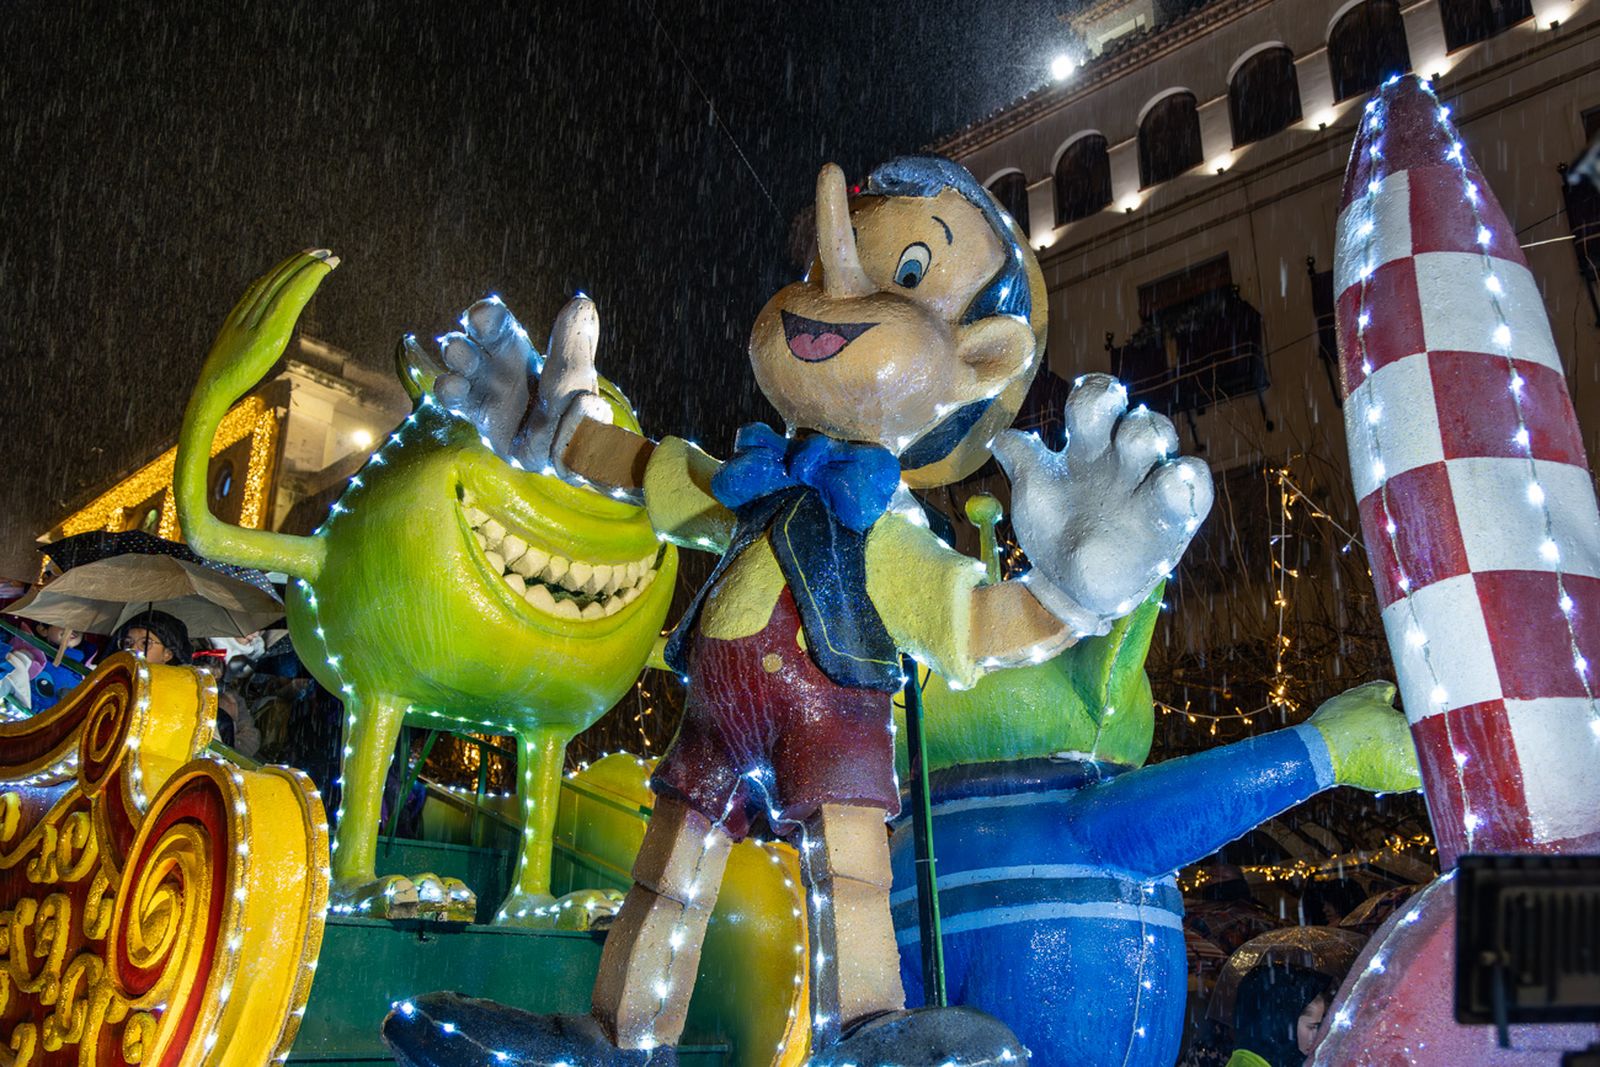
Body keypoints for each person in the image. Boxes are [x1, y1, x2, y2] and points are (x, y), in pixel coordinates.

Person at [1227, 961, 1332, 1067]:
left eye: (1319, 1026)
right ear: (1285, 1022)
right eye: (1311, 1027)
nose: (1317, 1035)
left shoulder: (1280, 1058)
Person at [113, 610, 193, 665]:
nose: (132, 648)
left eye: (145, 643)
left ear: (167, 654)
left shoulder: (178, 687)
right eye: (127, 643)